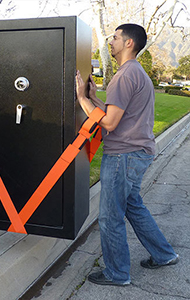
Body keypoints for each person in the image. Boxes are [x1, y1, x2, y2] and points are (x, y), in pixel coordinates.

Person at [76, 23, 178, 286]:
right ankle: (164, 254)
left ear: (129, 43)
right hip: (137, 152)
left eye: (115, 38)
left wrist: (82, 99)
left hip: (124, 155)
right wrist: (95, 98)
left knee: (110, 217)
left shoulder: (124, 75)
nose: (111, 42)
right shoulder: (135, 72)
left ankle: (117, 273)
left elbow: (109, 124)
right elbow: (117, 114)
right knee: (133, 207)